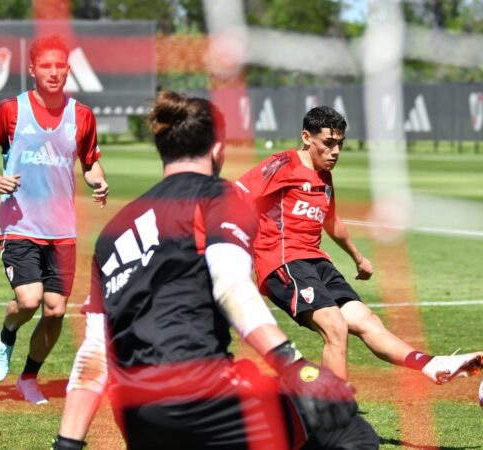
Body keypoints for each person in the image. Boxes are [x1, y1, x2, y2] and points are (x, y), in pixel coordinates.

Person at [52, 91, 378, 450]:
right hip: (204, 397)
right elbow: (231, 285)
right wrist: (296, 366)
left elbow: (94, 351)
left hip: (136, 413)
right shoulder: (217, 196)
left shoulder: (113, 230)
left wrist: (68, 443)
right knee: (347, 429)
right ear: (218, 147)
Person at [236, 106, 483, 384]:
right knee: (334, 326)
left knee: (366, 320)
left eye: (340, 144)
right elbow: (237, 195)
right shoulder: (282, 164)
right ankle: (336, 413)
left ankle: (430, 364)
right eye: (328, 143)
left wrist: (357, 257)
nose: (335, 152)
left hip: (317, 262)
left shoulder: (324, 176)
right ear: (307, 137)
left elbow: (330, 220)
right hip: (284, 261)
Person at [0, 34, 109, 405]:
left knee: (56, 309)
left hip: (63, 231)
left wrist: (99, 181)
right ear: (32, 69)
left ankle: (29, 377)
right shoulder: (10, 111)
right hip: (20, 226)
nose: (53, 72)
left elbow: (90, 161)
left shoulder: (81, 115)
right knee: (29, 300)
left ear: (68, 69)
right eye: (45, 66)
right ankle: (8, 331)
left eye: (59, 66)